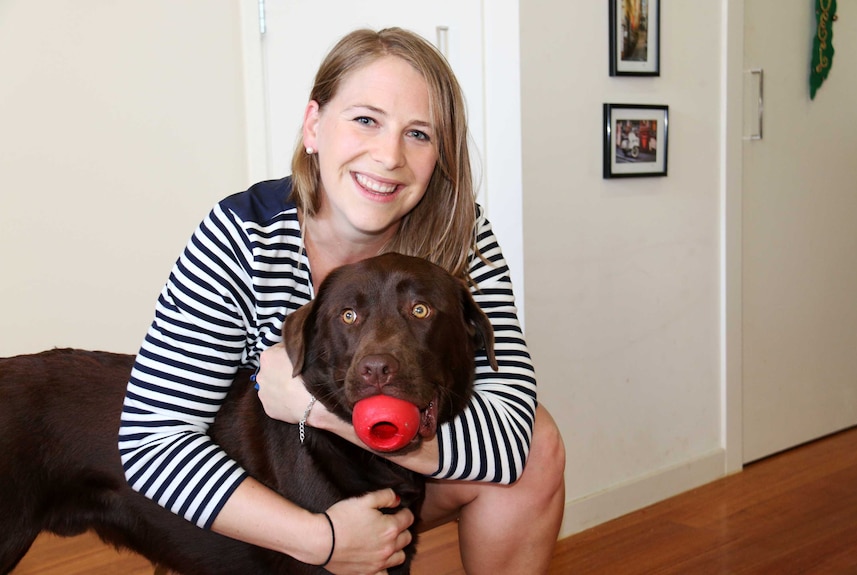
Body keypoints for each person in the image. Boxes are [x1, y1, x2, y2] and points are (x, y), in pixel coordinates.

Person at [119, 27, 565, 575]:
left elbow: (513, 434)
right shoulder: (241, 234)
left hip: (385, 480)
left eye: (419, 134)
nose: (388, 155)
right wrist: (321, 539)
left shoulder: (461, 236)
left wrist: (315, 411)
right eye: (365, 120)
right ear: (314, 126)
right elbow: (151, 442)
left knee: (538, 450)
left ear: (440, 156)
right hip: (272, 497)